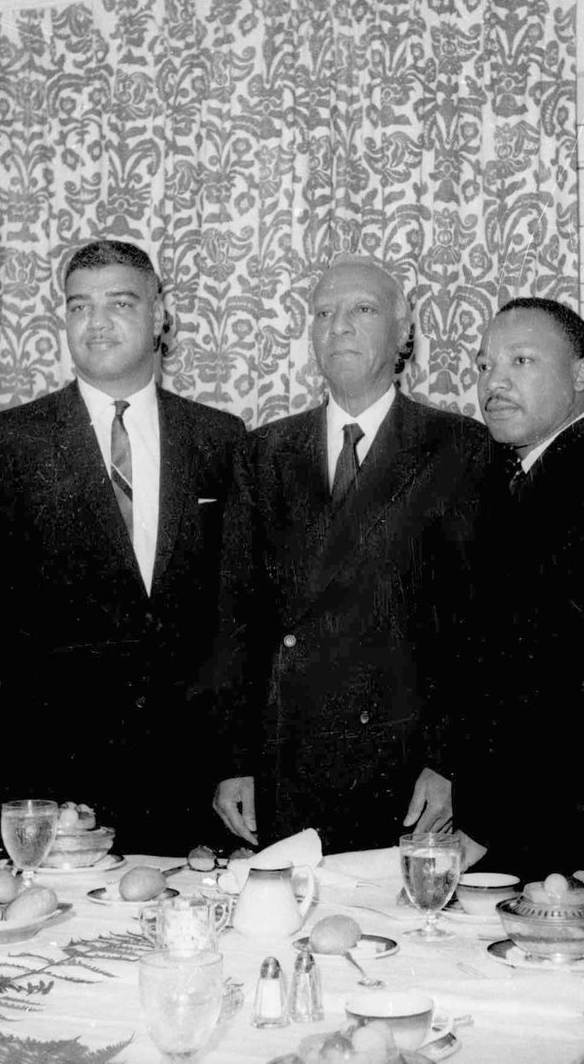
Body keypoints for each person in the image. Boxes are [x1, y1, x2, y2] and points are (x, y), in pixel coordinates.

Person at [0, 239, 244, 851]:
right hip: (61, 780)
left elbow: (235, 616)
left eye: (120, 302)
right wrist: (32, 780)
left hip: (192, 777)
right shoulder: (8, 443)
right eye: (79, 306)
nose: (98, 321)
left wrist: (232, 757)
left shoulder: (219, 438)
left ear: (160, 315)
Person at [209, 255, 490, 853]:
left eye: (362, 310)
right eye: (323, 313)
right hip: (287, 757)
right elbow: (235, 622)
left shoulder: (459, 446)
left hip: (403, 763)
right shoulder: (262, 453)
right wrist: (233, 761)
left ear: (404, 332)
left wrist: (448, 763)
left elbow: (472, 632)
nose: (338, 326)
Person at [451, 298, 584, 881]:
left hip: (549, 822)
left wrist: (484, 822)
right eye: (484, 366)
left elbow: (557, 682)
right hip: (516, 814)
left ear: (582, 375)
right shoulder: (518, 472)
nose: (494, 383)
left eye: (522, 361)